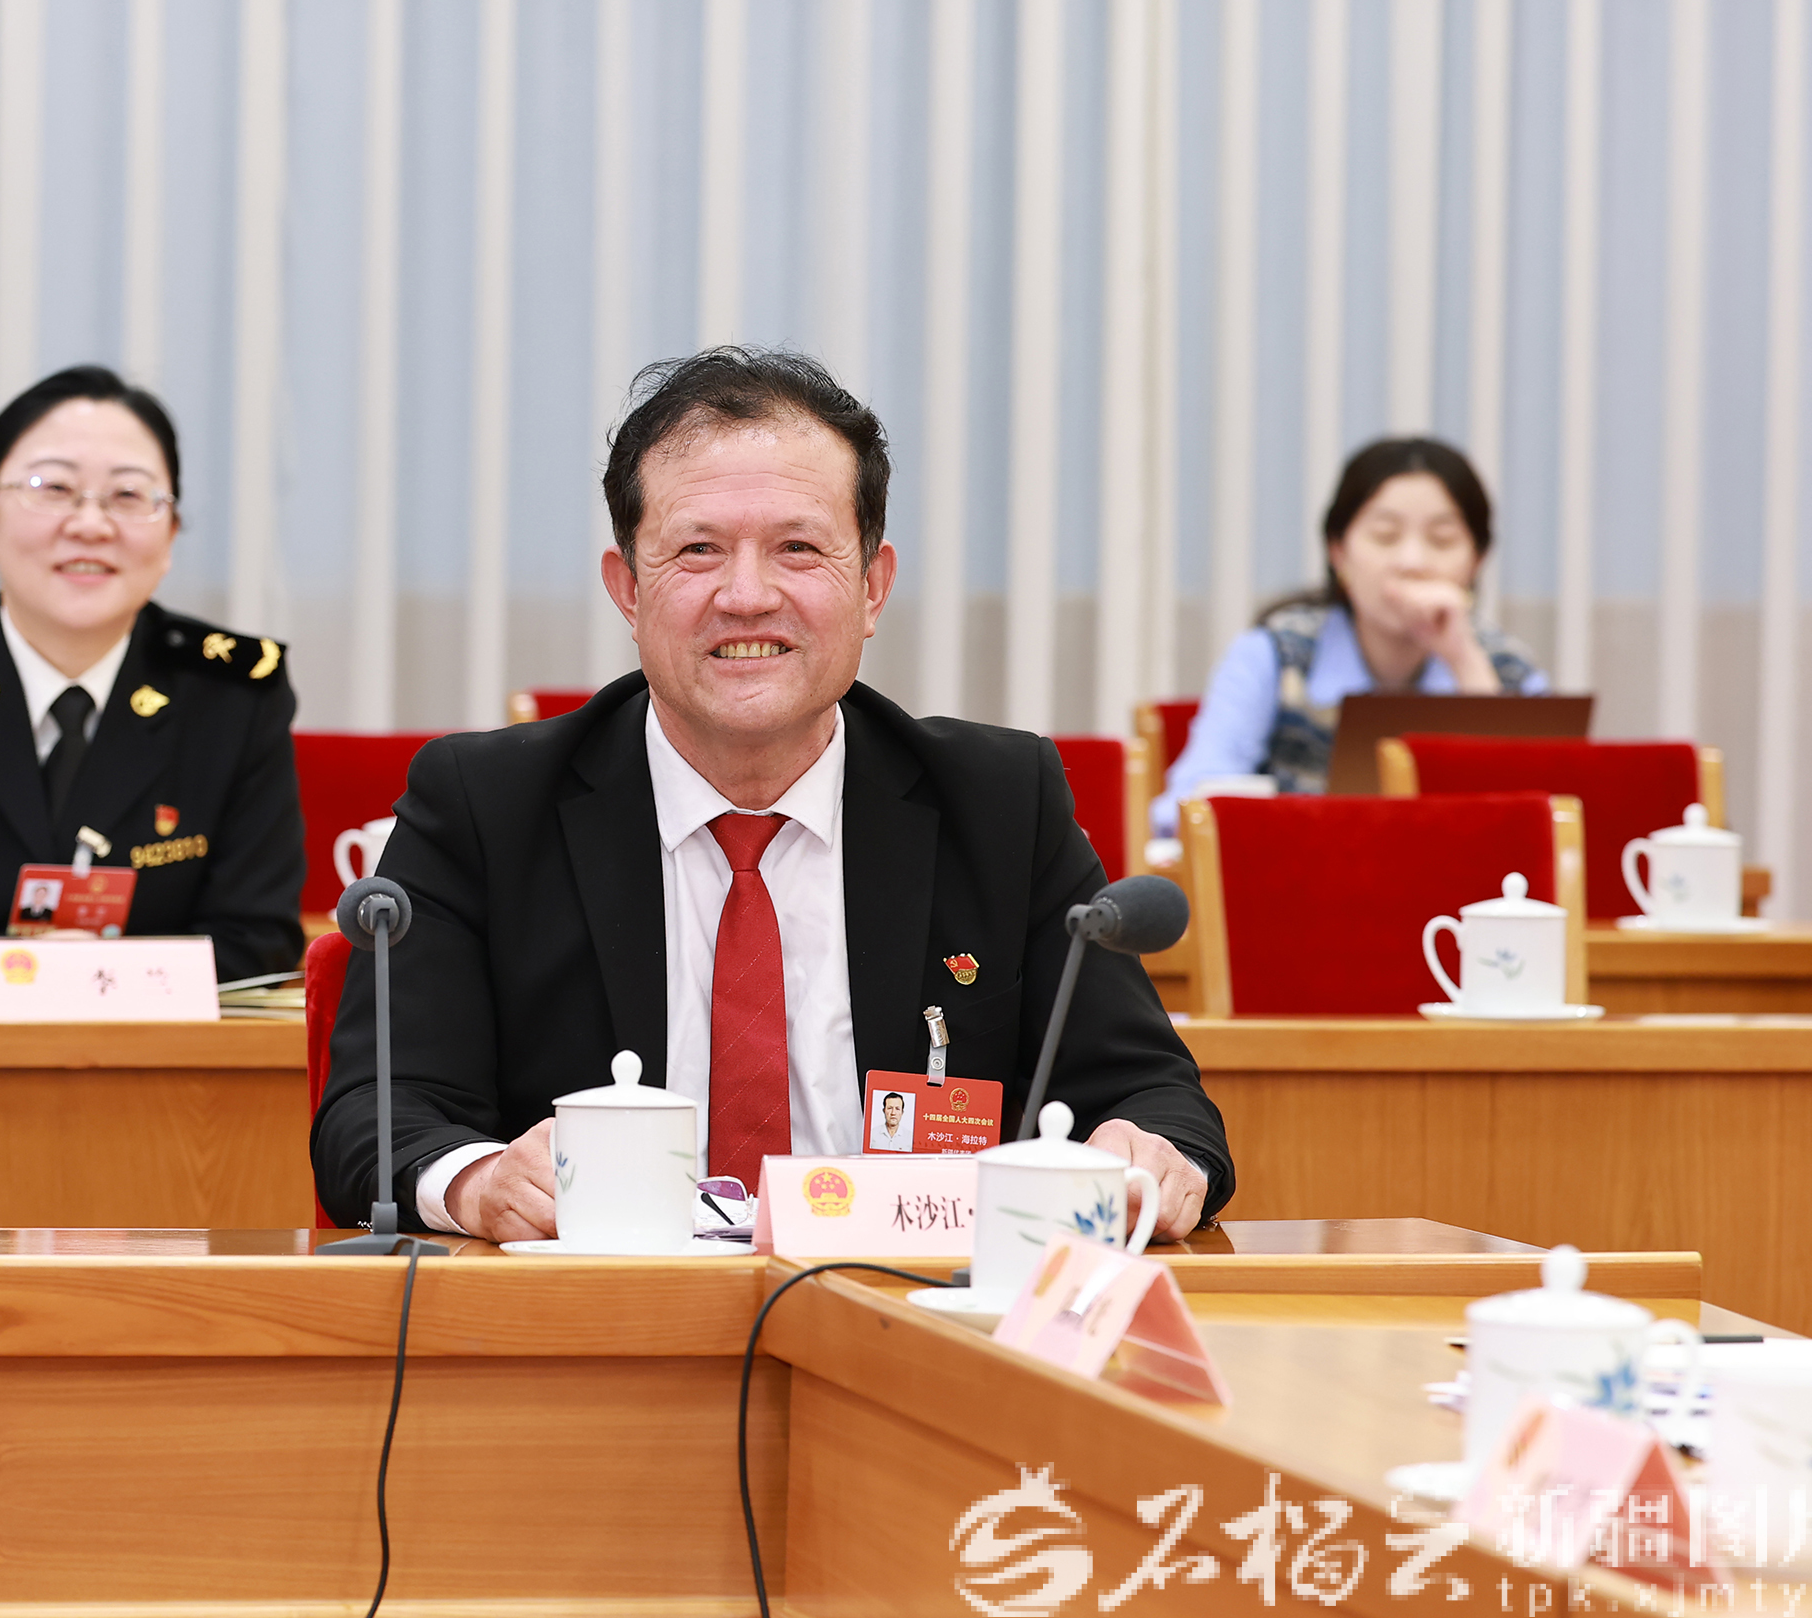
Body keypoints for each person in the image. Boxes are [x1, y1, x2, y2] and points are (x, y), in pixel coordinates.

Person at [310, 347, 1230, 1245]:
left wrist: (1151, 1153)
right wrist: (477, 1182)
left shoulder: (997, 806)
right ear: (627, 589)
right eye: (698, 550)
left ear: (872, 587)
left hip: (905, 1311)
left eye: (798, 548)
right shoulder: (486, 806)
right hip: (598, 1320)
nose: (746, 596)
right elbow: (375, 1114)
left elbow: (1153, 1097)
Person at [0, 366, 305, 987]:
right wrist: (29, 974)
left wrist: (95, 977)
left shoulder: (233, 695)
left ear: (171, 532)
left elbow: (259, 938)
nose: (90, 525)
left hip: (155, 1044)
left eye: (128, 495)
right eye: (52, 488)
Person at [1155, 437, 1546, 834]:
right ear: (1338, 552)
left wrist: (1465, 663)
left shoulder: (1509, 670)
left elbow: (1540, 825)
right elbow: (1183, 811)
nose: (1412, 562)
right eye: (1385, 536)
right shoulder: (1277, 654)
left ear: (1477, 560)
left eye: (1441, 540)